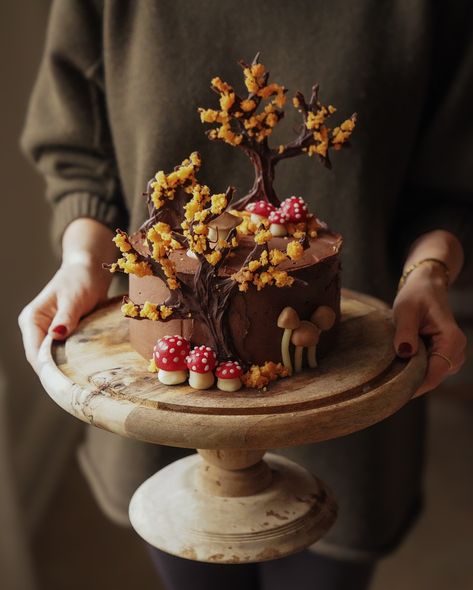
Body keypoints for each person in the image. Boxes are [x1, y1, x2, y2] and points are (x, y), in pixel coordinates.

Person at [18, 1, 472, 589]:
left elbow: (453, 181)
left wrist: (430, 270)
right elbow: (79, 153)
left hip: (353, 390)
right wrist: (83, 261)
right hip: (162, 402)